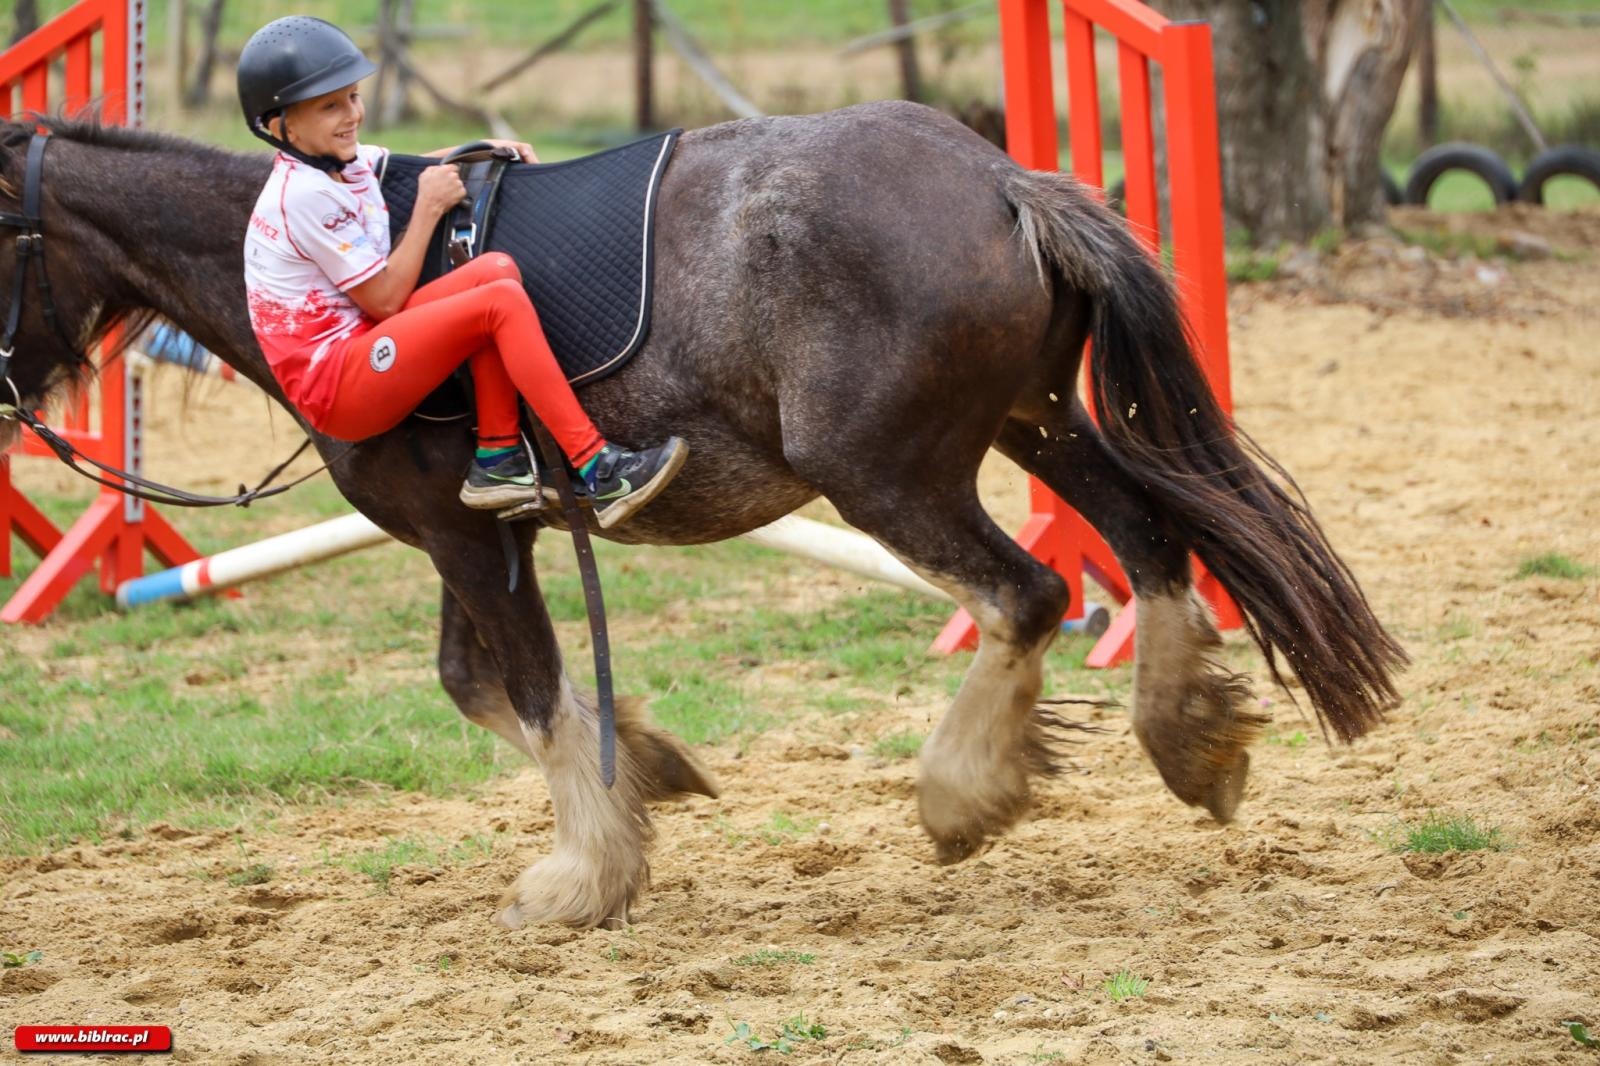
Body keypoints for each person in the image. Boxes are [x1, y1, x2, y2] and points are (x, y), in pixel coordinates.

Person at [236, 16, 686, 528]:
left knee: (496, 269)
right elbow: (383, 300)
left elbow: (412, 163)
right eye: (330, 106)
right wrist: (427, 210)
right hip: (339, 386)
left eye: (354, 97)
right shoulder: (303, 195)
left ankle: (498, 459)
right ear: (281, 128)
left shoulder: (340, 160)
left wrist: (483, 149)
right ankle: (596, 467)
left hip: (363, 342)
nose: (352, 115)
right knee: (498, 302)